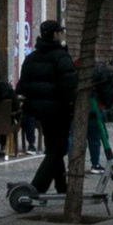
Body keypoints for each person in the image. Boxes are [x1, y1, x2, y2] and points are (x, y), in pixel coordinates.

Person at [16, 22, 80, 197]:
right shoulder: (61, 57)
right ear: (55, 35)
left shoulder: (31, 58)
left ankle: (61, 187)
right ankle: (36, 188)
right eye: (61, 32)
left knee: (54, 147)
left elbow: (23, 86)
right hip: (59, 111)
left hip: (40, 111)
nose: (62, 35)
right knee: (57, 150)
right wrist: (72, 105)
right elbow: (69, 86)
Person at [85, 60, 113, 170]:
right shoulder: (101, 70)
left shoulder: (75, 66)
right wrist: (107, 103)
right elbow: (106, 90)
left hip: (79, 105)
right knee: (95, 136)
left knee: (74, 136)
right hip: (95, 105)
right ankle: (95, 163)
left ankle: (73, 165)